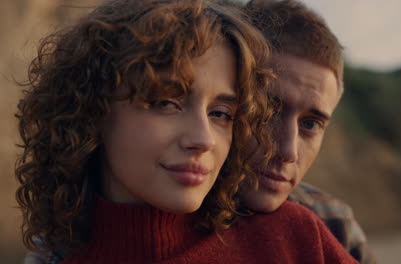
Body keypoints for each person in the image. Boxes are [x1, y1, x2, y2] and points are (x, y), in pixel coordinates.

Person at [16, 0, 359, 263]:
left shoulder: (295, 237)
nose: (204, 138)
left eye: (222, 113)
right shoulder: (54, 255)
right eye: (166, 102)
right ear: (92, 107)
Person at [240, 1, 375, 263]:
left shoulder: (335, 224)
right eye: (268, 111)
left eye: (311, 124)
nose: (288, 151)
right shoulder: (162, 212)